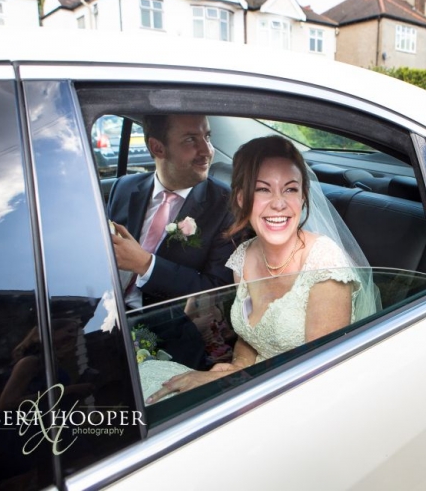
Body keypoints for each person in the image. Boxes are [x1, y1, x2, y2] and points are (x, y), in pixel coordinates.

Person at [141, 135, 377, 404]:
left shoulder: (324, 262)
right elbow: (251, 337)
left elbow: (319, 372)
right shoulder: (243, 257)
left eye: (290, 189)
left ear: (302, 198)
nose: (279, 203)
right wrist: (239, 365)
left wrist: (232, 379)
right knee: (148, 379)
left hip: (302, 398)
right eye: (263, 189)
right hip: (256, 386)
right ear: (242, 198)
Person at [107, 114, 236, 309]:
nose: (207, 151)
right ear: (157, 148)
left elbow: (217, 291)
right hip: (107, 310)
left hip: (166, 326)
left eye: (207, 138)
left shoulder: (225, 204)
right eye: (190, 139)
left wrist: (146, 265)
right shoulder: (123, 188)